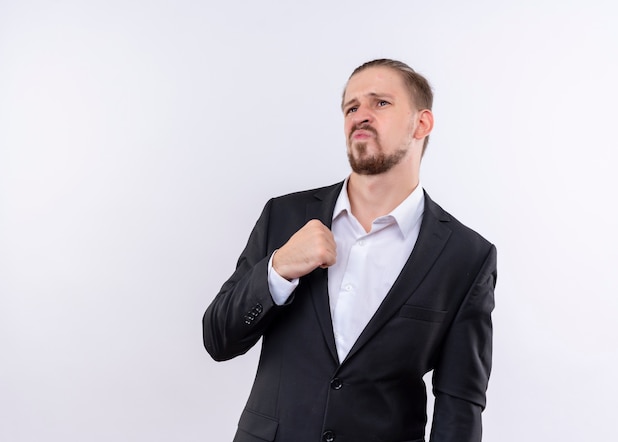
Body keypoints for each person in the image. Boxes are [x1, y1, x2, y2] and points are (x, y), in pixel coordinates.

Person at [203, 59, 497, 442]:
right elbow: (218, 339)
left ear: (421, 124)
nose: (361, 115)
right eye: (352, 107)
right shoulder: (285, 215)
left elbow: (460, 406)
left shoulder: (466, 256)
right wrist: (279, 269)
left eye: (380, 103)